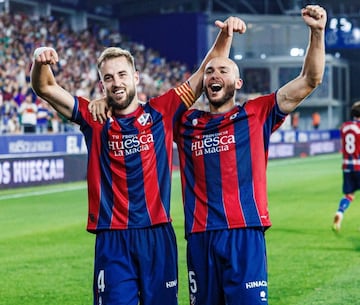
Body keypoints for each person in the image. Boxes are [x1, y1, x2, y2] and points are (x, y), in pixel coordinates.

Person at [30, 17, 246, 305]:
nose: (116, 82)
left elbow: (203, 72)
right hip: (113, 240)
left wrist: (225, 34)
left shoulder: (162, 111)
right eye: (108, 78)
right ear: (102, 84)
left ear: (136, 77)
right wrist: (39, 60)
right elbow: (45, 88)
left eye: (122, 75)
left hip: (157, 236)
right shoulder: (93, 118)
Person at [173, 5, 326, 305]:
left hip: (245, 235)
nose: (214, 75)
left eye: (223, 70)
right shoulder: (185, 123)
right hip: (200, 236)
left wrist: (317, 32)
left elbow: (310, 80)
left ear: (238, 83)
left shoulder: (256, 113)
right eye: (209, 72)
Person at [332, 101, 360, 232]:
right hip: (359, 165)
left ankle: (340, 213)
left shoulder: (344, 126)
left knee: (349, 195)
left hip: (347, 167)